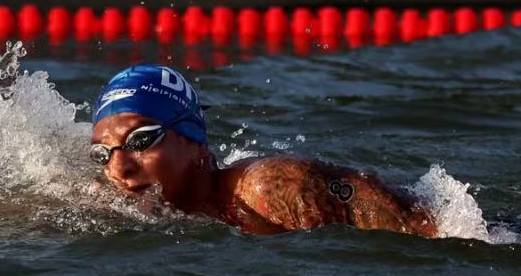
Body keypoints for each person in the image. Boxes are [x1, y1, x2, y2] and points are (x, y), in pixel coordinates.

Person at [90, 64, 436, 237]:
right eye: (102, 153)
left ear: (194, 142)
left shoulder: (269, 187)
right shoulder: (120, 206)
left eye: (141, 140)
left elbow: (431, 230)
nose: (119, 168)